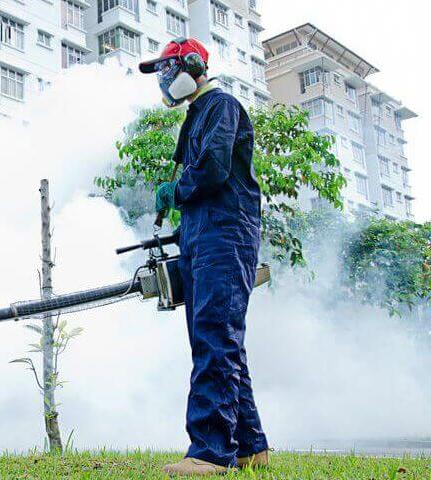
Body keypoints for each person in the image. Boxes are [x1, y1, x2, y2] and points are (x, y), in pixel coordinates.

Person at [139, 38, 270, 476]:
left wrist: (174, 191)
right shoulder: (198, 115)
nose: (161, 80)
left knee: (216, 336)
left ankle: (211, 453)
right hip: (202, 235)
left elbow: (213, 170)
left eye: (165, 69)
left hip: (225, 234)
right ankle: (250, 447)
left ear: (191, 67)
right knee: (217, 339)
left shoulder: (221, 105)